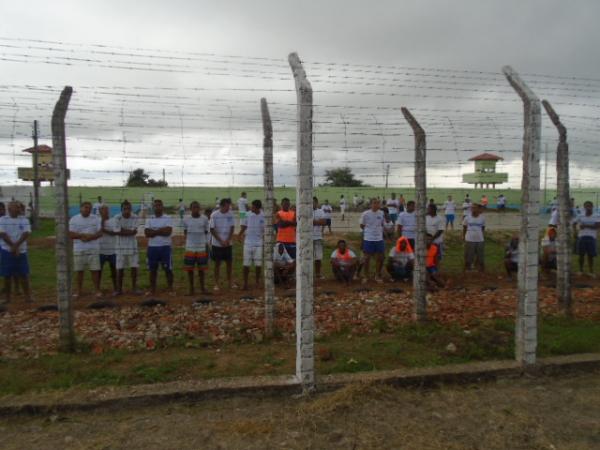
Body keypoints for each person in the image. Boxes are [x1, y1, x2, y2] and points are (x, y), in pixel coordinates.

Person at [0, 201, 32, 303]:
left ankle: (27, 296)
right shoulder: (3, 220)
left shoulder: (24, 220)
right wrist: (13, 246)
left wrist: (16, 246)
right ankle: (7, 298)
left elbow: (26, 233)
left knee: (23, 274)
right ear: (9, 209)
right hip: (6, 250)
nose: (19, 209)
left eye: (19, 207)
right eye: (16, 207)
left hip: (21, 250)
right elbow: (3, 234)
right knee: (7, 275)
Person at [69, 201, 102, 298]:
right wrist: (82, 235)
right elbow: (70, 234)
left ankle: (97, 290)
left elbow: (100, 233)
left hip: (93, 248)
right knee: (79, 271)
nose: (87, 209)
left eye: (89, 208)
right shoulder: (74, 219)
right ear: (81, 208)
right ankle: (79, 291)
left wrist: (90, 237)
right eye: (85, 207)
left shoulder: (96, 219)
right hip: (79, 249)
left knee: (95, 270)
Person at [144, 199, 174, 295]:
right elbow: (147, 233)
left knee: (168, 269)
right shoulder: (149, 219)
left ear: (162, 207)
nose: (157, 207)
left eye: (159, 205)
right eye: (156, 205)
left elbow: (168, 232)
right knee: (152, 270)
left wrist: (154, 231)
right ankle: (152, 289)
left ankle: (170, 288)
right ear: (153, 207)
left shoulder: (168, 218)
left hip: (165, 247)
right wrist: (161, 230)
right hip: (152, 247)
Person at [183, 201, 210, 295]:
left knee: (201, 269)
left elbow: (206, 232)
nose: (196, 209)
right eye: (194, 208)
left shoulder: (205, 219)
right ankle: (191, 289)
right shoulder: (186, 219)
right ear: (190, 209)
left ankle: (202, 288)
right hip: (190, 247)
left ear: (200, 208)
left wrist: (205, 244)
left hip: (201, 247)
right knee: (190, 269)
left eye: (197, 207)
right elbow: (185, 231)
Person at [114, 200, 140, 295]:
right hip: (120, 247)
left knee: (134, 268)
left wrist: (122, 230)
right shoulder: (117, 217)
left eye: (129, 208)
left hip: (132, 246)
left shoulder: (135, 217)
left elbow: (134, 232)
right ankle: (119, 290)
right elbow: (117, 231)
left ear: (131, 209)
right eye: (125, 209)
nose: (127, 210)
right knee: (120, 269)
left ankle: (135, 288)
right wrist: (128, 231)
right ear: (121, 209)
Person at [210, 198, 236, 291]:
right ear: (222, 205)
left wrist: (228, 240)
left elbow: (232, 228)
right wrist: (221, 241)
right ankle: (216, 283)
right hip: (217, 244)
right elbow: (212, 229)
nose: (229, 208)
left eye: (229, 206)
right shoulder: (214, 215)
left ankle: (230, 282)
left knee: (229, 263)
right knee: (217, 264)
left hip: (228, 244)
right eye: (227, 206)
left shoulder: (231, 214)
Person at [239, 199, 264, 290]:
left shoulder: (263, 215)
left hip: (258, 243)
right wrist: (239, 234)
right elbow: (244, 226)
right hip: (248, 243)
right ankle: (245, 283)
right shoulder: (247, 214)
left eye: (253, 206)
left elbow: (265, 229)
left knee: (258, 264)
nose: (251, 208)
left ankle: (257, 282)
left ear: (258, 208)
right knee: (246, 264)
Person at [359, 198, 385, 282]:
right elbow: (362, 225)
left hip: (379, 239)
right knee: (367, 258)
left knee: (380, 257)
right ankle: (366, 276)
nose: (376, 205)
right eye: (374, 203)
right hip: (368, 238)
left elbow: (381, 224)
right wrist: (369, 232)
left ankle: (377, 275)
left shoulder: (381, 213)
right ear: (370, 204)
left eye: (378, 203)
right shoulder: (365, 214)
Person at [573, 201, 600, 276]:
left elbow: (597, 226)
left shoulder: (596, 215)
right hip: (581, 237)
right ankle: (580, 270)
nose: (588, 208)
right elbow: (574, 223)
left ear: (592, 207)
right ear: (584, 207)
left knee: (590, 255)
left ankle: (591, 271)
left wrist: (585, 226)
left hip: (592, 237)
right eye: (586, 206)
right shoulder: (580, 215)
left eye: (589, 206)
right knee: (581, 255)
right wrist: (575, 231)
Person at [99, 205, 119, 295]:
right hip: (100, 250)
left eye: (106, 210)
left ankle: (116, 288)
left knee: (114, 270)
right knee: (98, 271)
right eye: (103, 210)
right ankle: (98, 289)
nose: (105, 212)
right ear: (100, 212)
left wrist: (104, 230)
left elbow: (114, 233)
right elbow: (98, 232)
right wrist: (102, 221)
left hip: (112, 250)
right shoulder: (97, 221)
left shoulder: (113, 220)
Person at [463, 203, 486, 272]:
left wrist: (480, 235)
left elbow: (483, 228)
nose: (473, 209)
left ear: (478, 209)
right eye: (472, 208)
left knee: (480, 255)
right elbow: (464, 227)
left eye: (475, 208)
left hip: (480, 240)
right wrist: (463, 237)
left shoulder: (482, 218)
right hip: (469, 239)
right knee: (469, 255)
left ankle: (480, 269)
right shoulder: (467, 217)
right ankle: (468, 268)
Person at [312, 197, 327, 279]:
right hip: (308, 238)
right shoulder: (306, 210)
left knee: (318, 257)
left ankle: (318, 274)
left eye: (314, 202)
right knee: (307, 257)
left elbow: (323, 222)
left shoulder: (320, 211)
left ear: (317, 203)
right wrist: (317, 222)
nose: (312, 204)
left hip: (318, 237)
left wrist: (312, 222)